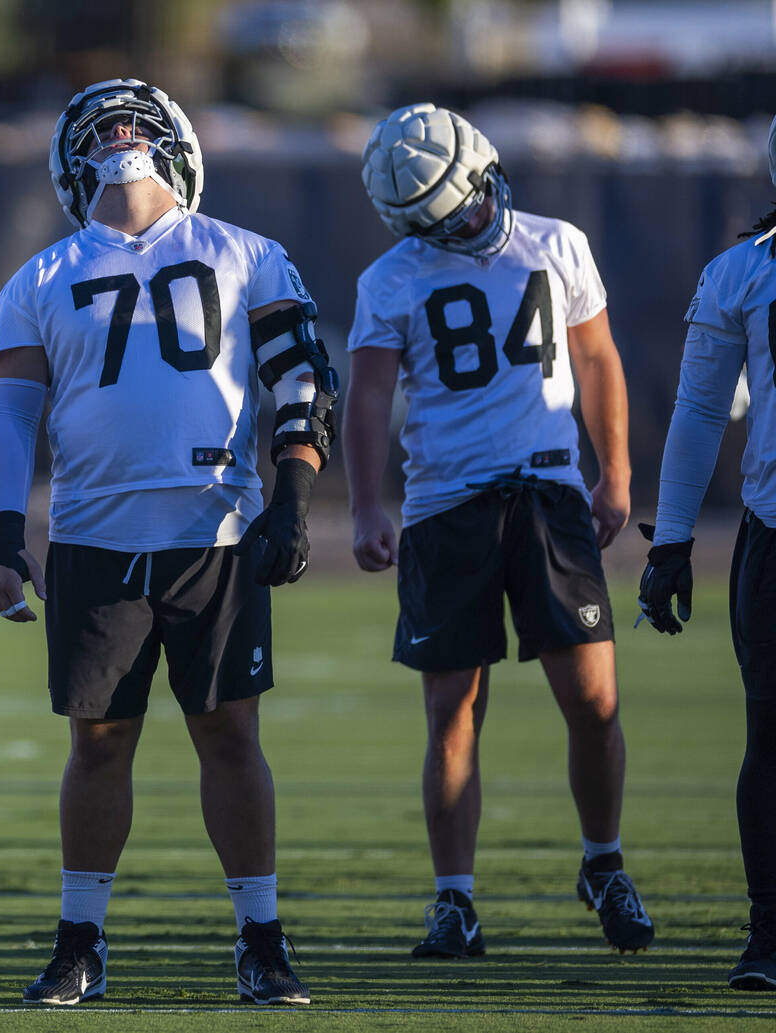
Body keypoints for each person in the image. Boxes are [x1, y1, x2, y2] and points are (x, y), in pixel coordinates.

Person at [0, 78, 336, 1005]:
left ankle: (262, 937)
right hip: (95, 535)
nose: (121, 136)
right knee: (97, 742)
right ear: (70, 162)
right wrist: (2, 535)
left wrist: (293, 497)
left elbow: (301, 381)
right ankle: (80, 942)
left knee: (229, 732)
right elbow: (11, 420)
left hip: (213, 528)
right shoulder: (40, 278)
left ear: (178, 143)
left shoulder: (248, 253)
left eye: (138, 122)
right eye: (103, 127)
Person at [343, 103, 653, 958]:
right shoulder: (391, 278)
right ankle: (455, 898)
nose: (471, 221)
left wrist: (616, 471)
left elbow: (596, 358)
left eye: (472, 201)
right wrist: (369, 503)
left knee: (593, 699)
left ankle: (604, 861)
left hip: (550, 495)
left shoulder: (556, 242)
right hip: (447, 508)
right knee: (452, 710)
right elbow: (368, 395)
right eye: (448, 217)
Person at [637, 115, 776, 991]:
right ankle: (769, 929)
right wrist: (673, 538)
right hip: (774, 529)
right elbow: (696, 412)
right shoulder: (745, 269)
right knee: (770, 738)